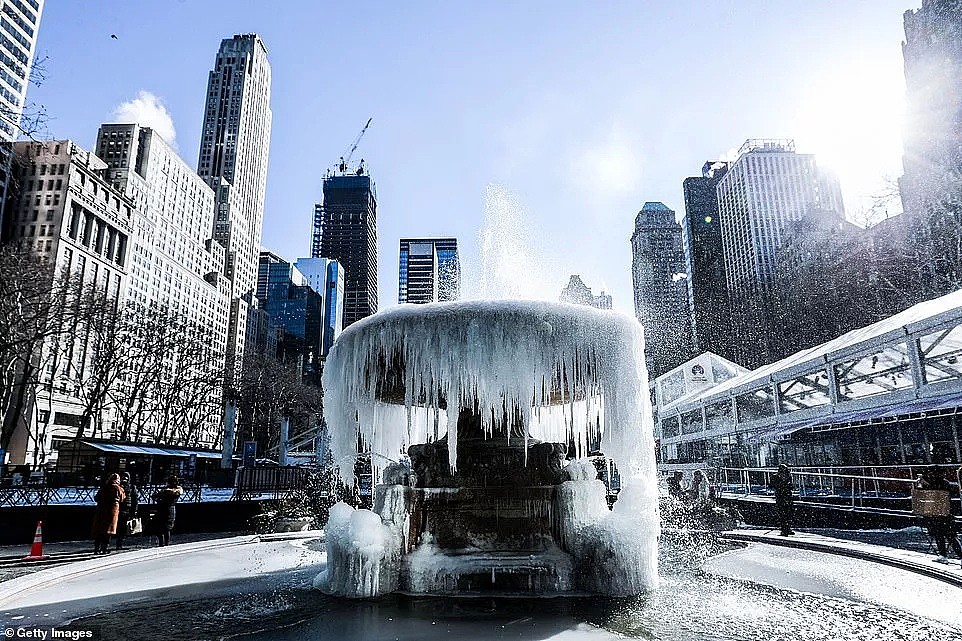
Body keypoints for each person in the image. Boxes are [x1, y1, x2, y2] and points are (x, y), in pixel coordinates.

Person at [916, 465, 962, 564]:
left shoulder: (928, 484)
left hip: (934, 514)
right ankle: (957, 555)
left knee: (939, 535)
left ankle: (943, 555)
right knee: (950, 536)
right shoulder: (945, 483)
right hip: (945, 514)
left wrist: (922, 483)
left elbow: (922, 496)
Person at [91, 473, 125, 554]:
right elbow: (122, 498)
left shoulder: (104, 487)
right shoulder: (118, 488)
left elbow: (96, 498)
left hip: (101, 510)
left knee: (99, 530)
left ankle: (97, 548)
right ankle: (104, 548)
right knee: (108, 531)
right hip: (112, 511)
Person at [152, 475, 183, 547]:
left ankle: (163, 544)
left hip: (166, 510)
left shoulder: (169, 491)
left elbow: (156, 496)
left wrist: (159, 498)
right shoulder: (172, 491)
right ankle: (164, 544)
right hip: (168, 510)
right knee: (165, 529)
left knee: (164, 529)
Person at [115, 471, 138, 550]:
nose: (125, 478)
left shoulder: (131, 487)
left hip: (127, 509)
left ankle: (119, 543)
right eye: (123, 477)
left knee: (123, 527)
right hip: (118, 508)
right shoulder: (118, 486)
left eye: (126, 477)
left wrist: (134, 511)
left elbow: (135, 500)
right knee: (117, 527)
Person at [770, 464, 795, 536]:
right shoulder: (776, 476)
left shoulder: (788, 476)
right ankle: (784, 529)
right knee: (783, 514)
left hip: (786, 496)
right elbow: (772, 485)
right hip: (782, 496)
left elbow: (791, 486)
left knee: (787, 513)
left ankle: (787, 528)